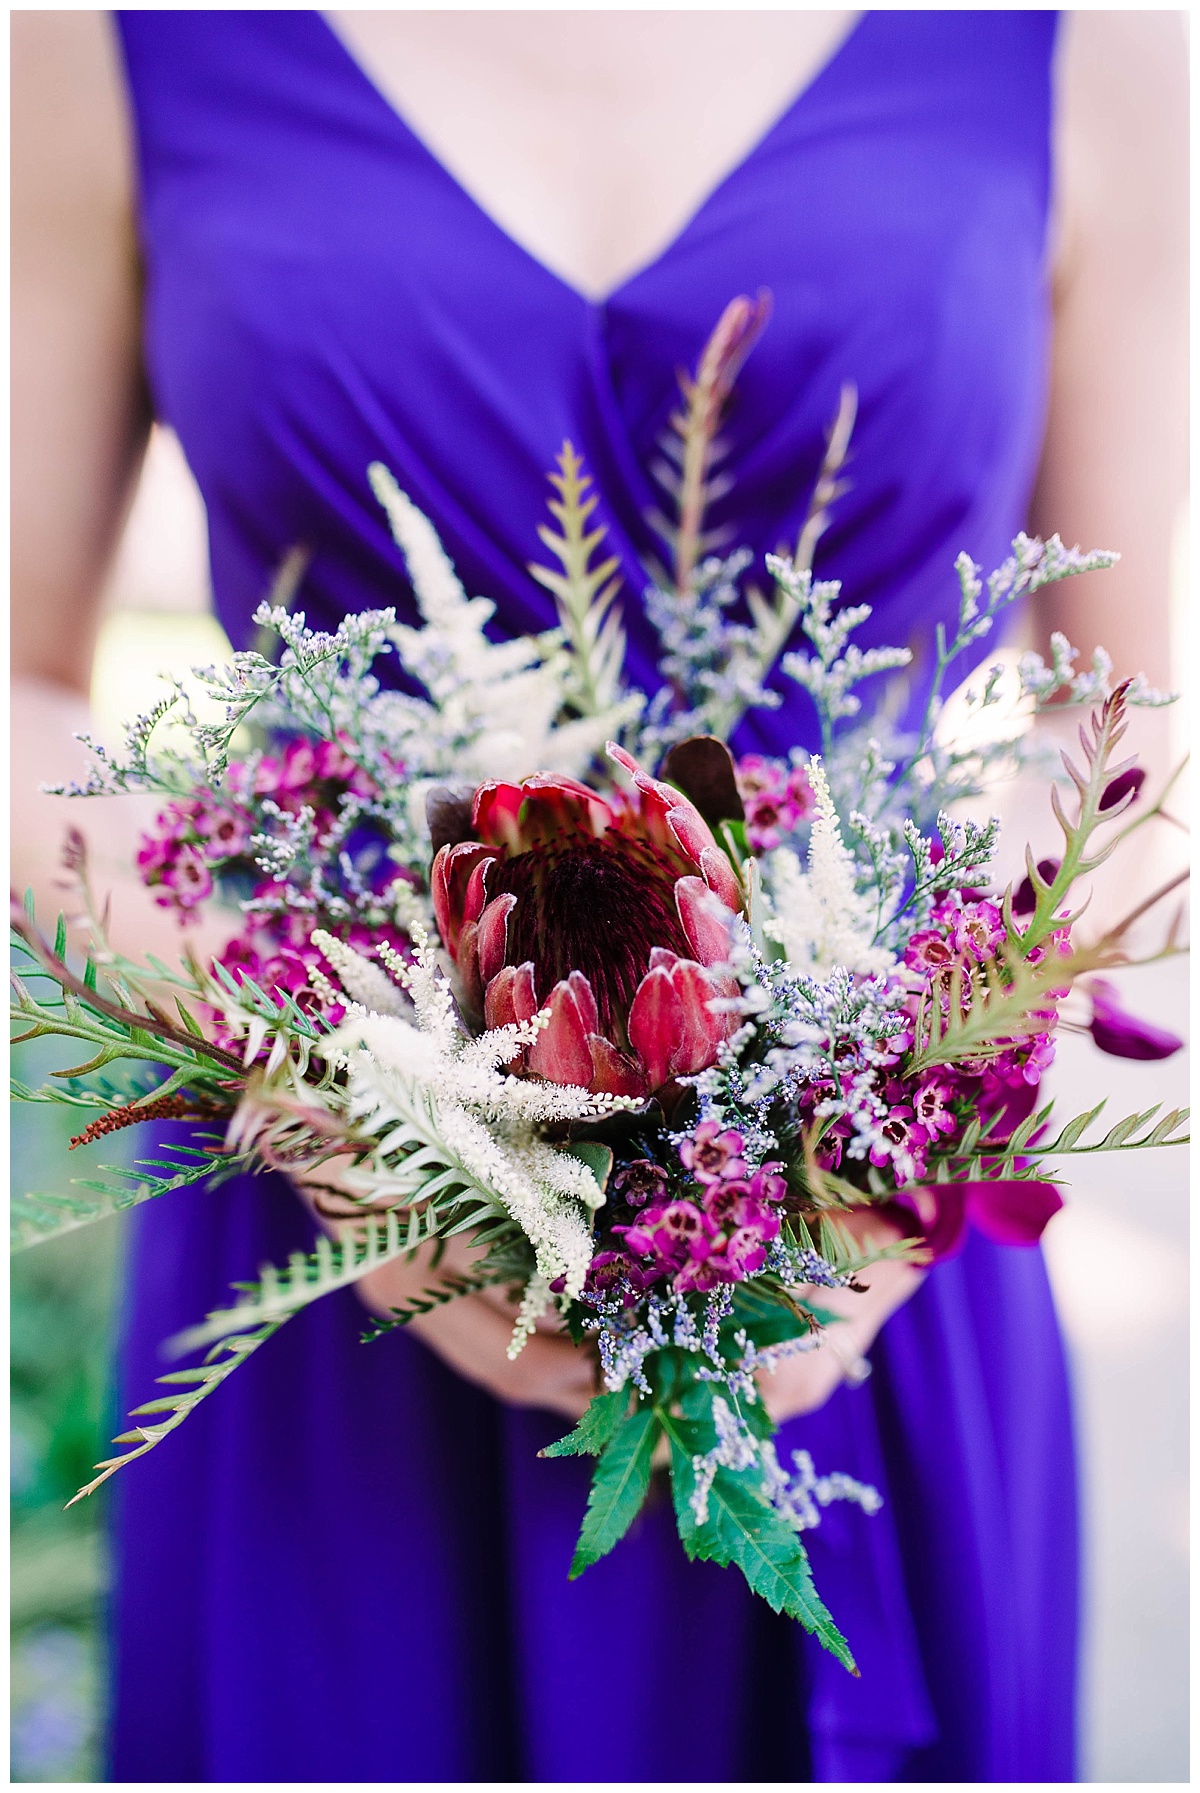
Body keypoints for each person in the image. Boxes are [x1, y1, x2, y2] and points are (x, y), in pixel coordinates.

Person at [11, 10, 1186, 1781]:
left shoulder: (1095, 40)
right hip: (337, 1255)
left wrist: (907, 1123)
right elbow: (20, 693)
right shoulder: (90, 37)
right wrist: (328, 1096)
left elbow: (1121, 724)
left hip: (861, 1278)